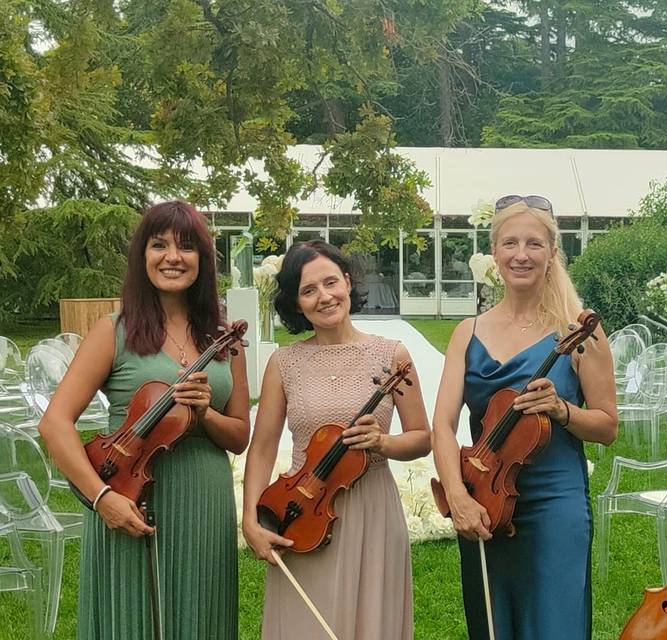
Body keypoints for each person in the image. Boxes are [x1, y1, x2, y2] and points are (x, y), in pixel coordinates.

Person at [39, 200, 251, 639]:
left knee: (201, 617)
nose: (173, 257)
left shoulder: (223, 338)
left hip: (204, 502)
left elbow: (239, 436)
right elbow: (55, 424)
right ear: (142, 257)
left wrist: (204, 413)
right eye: (159, 245)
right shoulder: (114, 330)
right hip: (126, 494)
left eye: (186, 247)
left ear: (202, 261)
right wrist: (102, 498)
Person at [432, 196, 618, 639]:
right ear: (493, 253)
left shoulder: (578, 330)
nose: (521, 254)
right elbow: (442, 425)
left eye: (534, 244)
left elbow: (608, 426)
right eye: (510, 243)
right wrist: (458, 497)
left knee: (554, 626)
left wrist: (562, 410)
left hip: (555, 504)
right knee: (493, 625)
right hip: (484, 500)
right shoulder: (467, 332)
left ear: (553, 254)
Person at [241, 240, 431, 640]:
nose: (324, 296)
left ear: (347, 282)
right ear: (296, 303)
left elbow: (421, 437)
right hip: (301, 512)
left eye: (331, 282)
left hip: (372, 509)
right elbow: (261, 448)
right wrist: (250, 520)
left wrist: (383, 443)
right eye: (309, 291)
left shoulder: (392, 354)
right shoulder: (284, 363)